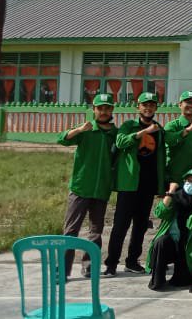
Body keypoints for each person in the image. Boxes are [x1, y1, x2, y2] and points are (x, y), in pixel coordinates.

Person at [105, 91, 166, 276]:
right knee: (120, 225)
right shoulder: (128, 126)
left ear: (156, 108)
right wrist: (143, 132)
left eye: (152, 105)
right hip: (129, 183)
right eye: (144, 105)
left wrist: (161, 185)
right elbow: (120, 142)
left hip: (148, 184)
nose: (148, 108)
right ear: (138, 107)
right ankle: (111, 264)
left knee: (140, 226)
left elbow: (161, 156)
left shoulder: (159, 129)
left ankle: (132, 261)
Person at [58, 93, 118, 278]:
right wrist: (79, 130)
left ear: (112, 110)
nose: (104, 112)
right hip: (81, 187)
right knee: (71, 230)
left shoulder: (115, 134)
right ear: (94, 110)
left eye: (107, 108)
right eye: (100, 108)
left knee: (96, 231)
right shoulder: (87, 129)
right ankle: (63, 269)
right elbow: (62, 139)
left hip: (101, 189)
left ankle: (89, 267)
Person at [147, 168, 192, 290]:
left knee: (184, 280)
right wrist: (170, 192)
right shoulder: (176, 197)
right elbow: (160, 213)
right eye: (188, 181)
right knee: (161, 242)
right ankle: (158, 281)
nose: (191, 184)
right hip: (174, 241)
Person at [164, 91, 192, 192]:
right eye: (188, 102)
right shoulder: (172, 126)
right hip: (175, 181)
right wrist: (188, 130)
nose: (191, 105)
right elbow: (170, 140)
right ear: (180, 104)